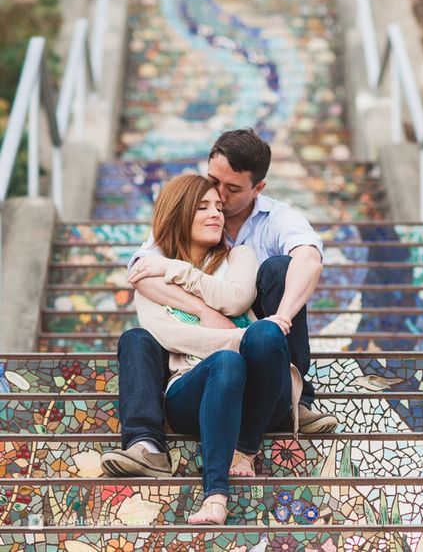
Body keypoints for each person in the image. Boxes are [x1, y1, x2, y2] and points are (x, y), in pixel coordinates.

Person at [102, 128, 337, 480]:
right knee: (136, 339)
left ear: (258, 188)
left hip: (264, 358)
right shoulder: (186, 217)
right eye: (214, 183)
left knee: (279, 270)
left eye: (232, 189)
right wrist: (203, 310)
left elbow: (308, 261)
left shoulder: (274, 223)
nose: (220, 200)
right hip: (203, 366)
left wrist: (279, 322)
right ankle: (146, 445)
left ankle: (295, 398)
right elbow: (140, 272)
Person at [102, 174, 302, 525]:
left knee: (268, 335)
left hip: (258, 394)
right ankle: (214, 495)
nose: (216, 215)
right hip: (191, 389)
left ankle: (246, 447)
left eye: (219, 208)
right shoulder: (148, 275)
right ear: (179, 213)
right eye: (203, 207)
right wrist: (231, 334)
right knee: (227, 360)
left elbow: (237, 297)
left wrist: (178, 271)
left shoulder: (240, 256)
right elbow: (168, 336)